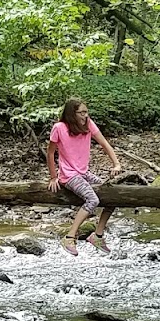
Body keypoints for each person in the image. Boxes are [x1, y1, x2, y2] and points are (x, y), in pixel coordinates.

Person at [45, 97, 123, 254]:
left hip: (83, 173)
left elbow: (104, 144)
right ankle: (69, 237)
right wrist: (54, 177)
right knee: (93, 199)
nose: (85, 116)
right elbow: (50, 152)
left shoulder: (88, 125)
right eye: (82, 113)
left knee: (112, 195)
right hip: (68, 175)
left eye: (86, 112)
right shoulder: (59, 127)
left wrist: (116, 164)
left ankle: (98, 236)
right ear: (72, 114)